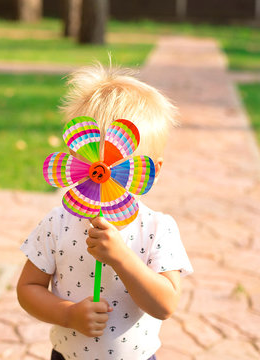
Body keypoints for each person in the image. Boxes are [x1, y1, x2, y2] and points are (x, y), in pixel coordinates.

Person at [17, 63, 193, 360]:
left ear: (150, 171)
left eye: (119, 167)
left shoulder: (157, 229)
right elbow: (28, 288)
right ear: (75, 158)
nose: (102, 174)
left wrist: (122, 258)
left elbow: (165, 305)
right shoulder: (58, 223)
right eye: (90, 164)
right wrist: (68, 315)